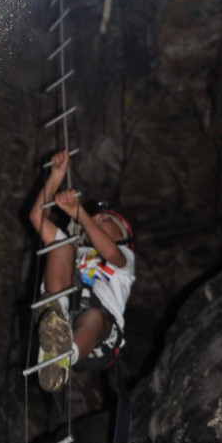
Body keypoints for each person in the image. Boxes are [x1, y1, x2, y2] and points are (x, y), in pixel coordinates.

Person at [29, 149, 135, 392]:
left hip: (98, 337)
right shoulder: (78, 249)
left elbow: (109, 252)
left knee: (94, 318)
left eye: (104, 220)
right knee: (63, 246)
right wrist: (55, 177)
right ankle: (57, 317)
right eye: (94, 220)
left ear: (121, 235)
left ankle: (63, 359)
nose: (95, 221)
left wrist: (80, 214)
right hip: (64, 309)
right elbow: (37, 218)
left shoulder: (125, 260)